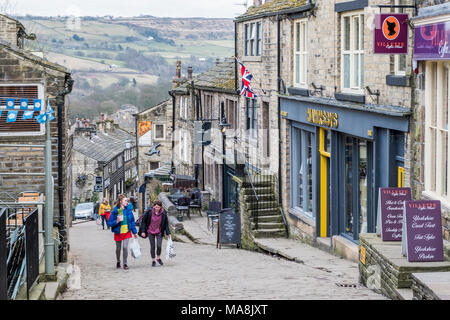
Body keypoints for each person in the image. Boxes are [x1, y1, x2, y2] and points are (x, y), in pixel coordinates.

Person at [108, 194, 138, 270]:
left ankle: (125, 263)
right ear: (121, 201)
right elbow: (109, 223)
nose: (127, 202)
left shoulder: (128, 209)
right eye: (125, 200)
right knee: (118, 248)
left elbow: (132, 221)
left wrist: (134, 232)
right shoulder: (115, 211)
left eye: (127, 200)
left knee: (125, 247)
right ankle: (118, 261)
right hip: (118, 232)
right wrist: (117, 221)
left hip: (127, 231)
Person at [139, 200, 171, 267]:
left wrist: (168, 233)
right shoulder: (149, 212)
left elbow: (166, 224)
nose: (156, 208)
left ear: (160, 207)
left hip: (159, 231)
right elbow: (143, 222)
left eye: (158, 207)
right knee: (152, 246)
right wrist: (143, 231)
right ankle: (153, 260)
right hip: (150, 231)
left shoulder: (163, 213)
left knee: (159, 245)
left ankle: (158, 258)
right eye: (155, 207)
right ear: (153, 206)